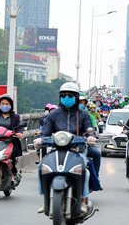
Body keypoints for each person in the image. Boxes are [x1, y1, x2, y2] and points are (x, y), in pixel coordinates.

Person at [37, 82, 94, 214]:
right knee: (42, 167)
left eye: (70, 95)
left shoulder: (83, 114)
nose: (66, 98)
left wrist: (91, 136)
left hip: (77, 150)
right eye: (64, 95)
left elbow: (89, 129)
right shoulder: (53, 115)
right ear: (60, 97)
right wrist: (40, 139)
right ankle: (45, 200)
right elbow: (45, 132)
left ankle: (83, 200)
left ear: (76, 97)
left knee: (85, 171)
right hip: (56, 150)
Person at [79, 93, 102, 176]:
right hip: (65, 145)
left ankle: (95, 176)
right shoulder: (61, 114)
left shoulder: (88, 116)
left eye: (82, 102)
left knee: (96, 153)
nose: (79, 104)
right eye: (78, 102)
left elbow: (93, 129)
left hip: (82, 145)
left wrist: (91, 137)